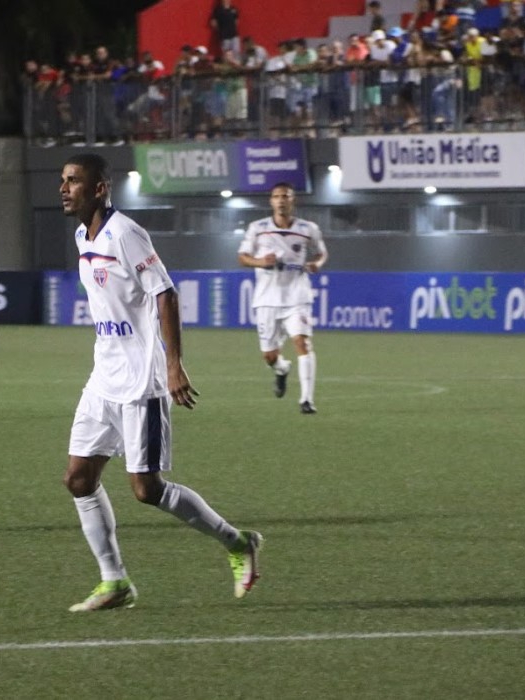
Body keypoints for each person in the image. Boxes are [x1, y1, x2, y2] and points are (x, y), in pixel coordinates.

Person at [59, 153, 262, 612]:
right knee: (77, 478)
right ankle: (115, 582)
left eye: (74, 181)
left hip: (140, 382)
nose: (64, 188)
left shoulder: (127, 234)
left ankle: (237, 542)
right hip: (103, 379)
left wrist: (173, 365)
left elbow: (165, 293)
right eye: (63, 180)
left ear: (99, 188)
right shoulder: (81, 236)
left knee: (146, 489)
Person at [237, 182, 328, 414]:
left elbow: (321, 252)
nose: (281, 200)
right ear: (271, 201)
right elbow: (243, 257)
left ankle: (306, 400)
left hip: (298, 296)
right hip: (267, 299)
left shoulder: (308, 228)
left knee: (302, 342)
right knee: (269, 355)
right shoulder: (257, 228)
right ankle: (281, 369)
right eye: (276, 196)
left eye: (285, 196)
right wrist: (260, 262)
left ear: (292, 200)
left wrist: (316, 264)